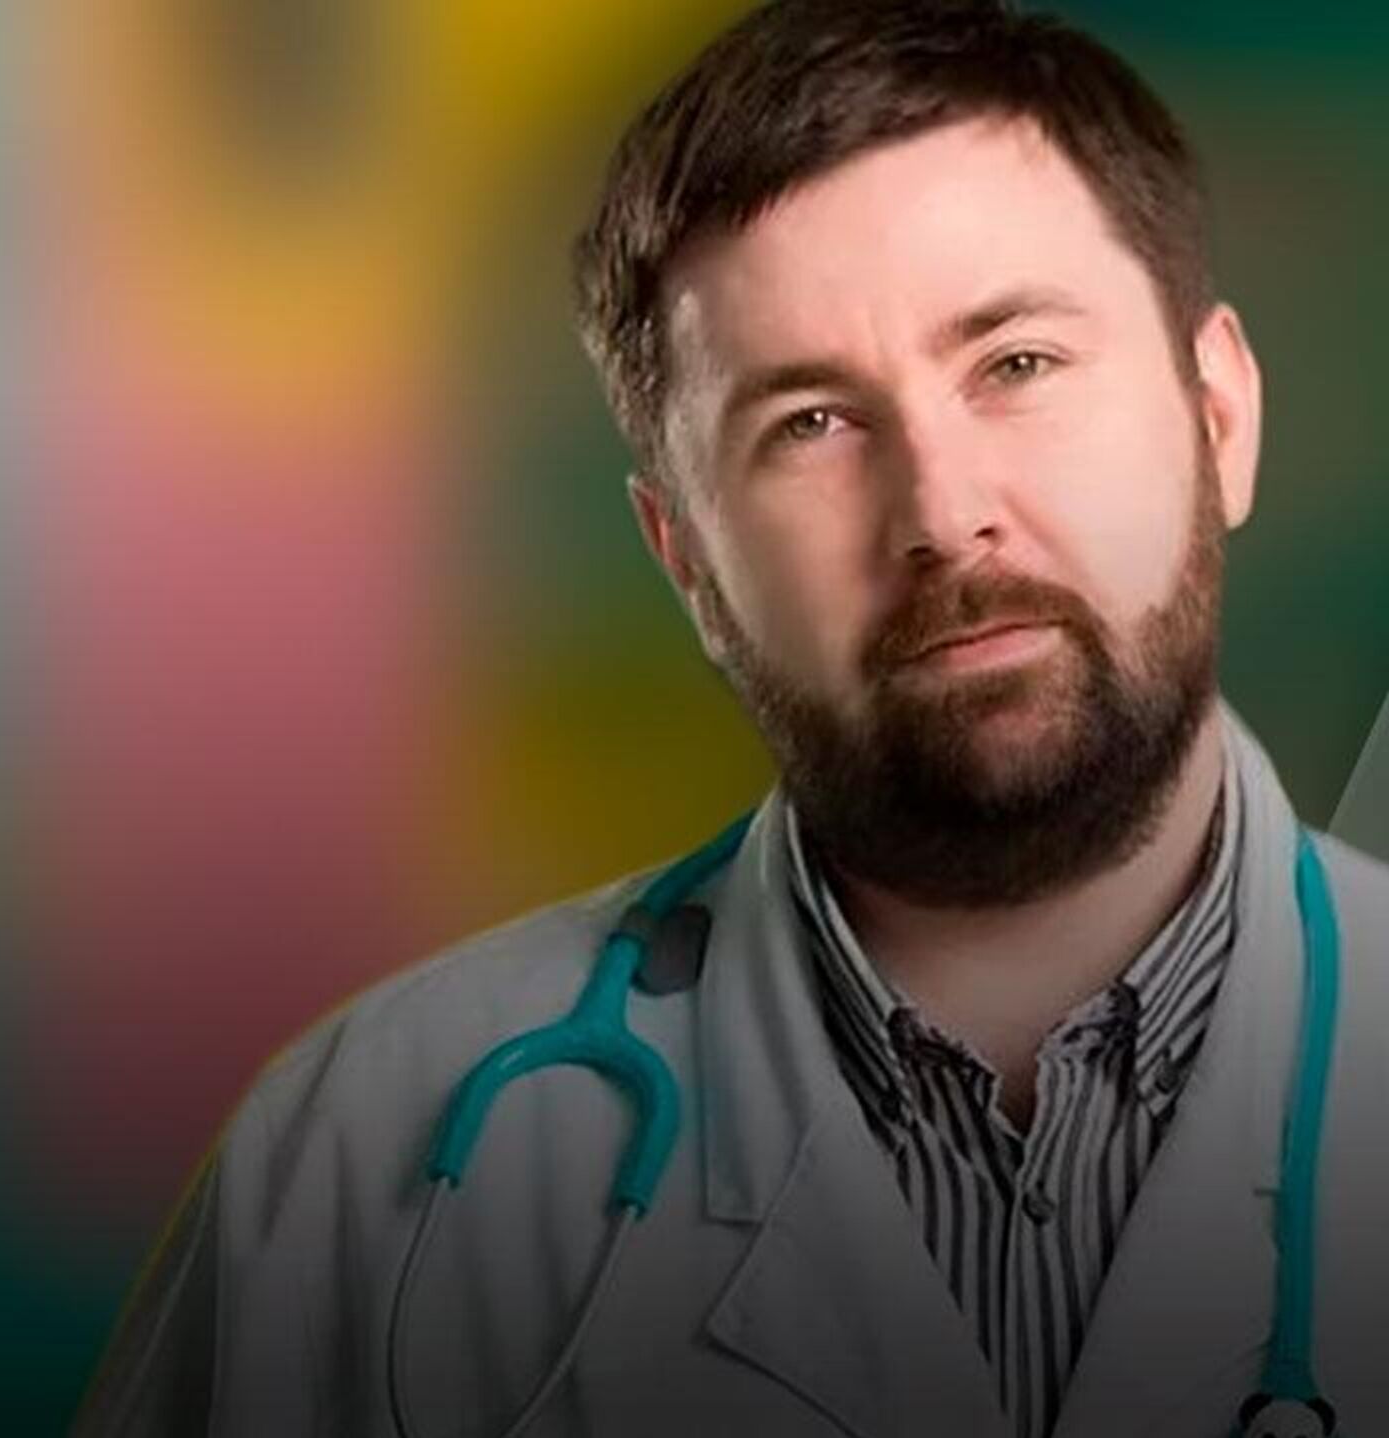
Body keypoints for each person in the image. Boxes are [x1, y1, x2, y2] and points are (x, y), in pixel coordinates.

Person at [77, 2, 1389, 1434]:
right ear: (688, 562)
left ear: (1220, 417)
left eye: (1016, 364)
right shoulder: (359, 1176)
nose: (943, 512)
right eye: (810, 423)